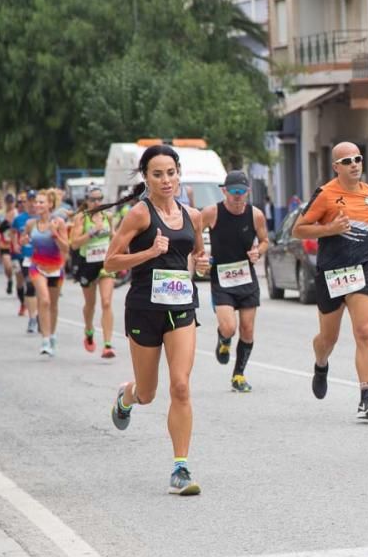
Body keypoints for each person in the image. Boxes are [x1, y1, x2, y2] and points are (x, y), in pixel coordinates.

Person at [102, 144, 209, 496]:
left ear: (179, 174)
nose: (166, 180)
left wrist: (203, 265)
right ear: (146, 178)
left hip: (180, 308)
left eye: (171, 173)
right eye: (158, 174)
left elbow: (196, 254)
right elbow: (111, 262)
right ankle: (126, 396)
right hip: (144, 311)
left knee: (180, 385)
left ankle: (180, 467)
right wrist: (149, 252)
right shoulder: (139, 215)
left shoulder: (192, 215)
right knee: (147, 393)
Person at [292, 142, 368, 418]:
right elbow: (297, 230)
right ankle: (321, 363)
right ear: (336, 167)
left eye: (358, 159)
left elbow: (363, 221)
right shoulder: (324, 194)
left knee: (365, 331)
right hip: (332, 273)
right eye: (347, 161)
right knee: (328, 337)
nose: (354, 165)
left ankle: (367, 396)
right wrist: (329, 229)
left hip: (361, 270)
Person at [202, 171, 269, 393]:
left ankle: (238, 375)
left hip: (246, 277)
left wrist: (258, 252)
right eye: (233, 192)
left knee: (248, 330)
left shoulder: (255, 215)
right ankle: (224, 338)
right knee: (230, 327)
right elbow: (193, 233)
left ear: (248, 192)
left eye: (242, 192)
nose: (238, 196)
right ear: (224, 191)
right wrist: (200, 255)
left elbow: (265, 241)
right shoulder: (212, 213)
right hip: (221, 278)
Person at [69, 187, 117, 358]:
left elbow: (113, 236)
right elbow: (74, 244)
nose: (97, 202)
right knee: (91, 304)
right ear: (87, 201)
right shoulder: (82, 218)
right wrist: (92, 232)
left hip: (105, 264)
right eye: (93, 199)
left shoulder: (108, 216)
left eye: (100, 199)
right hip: (87, 265)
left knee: (106, 302)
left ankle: (107, 344)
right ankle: (89, 330)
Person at [25, 191, 68, 356]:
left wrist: (55, 234)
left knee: (53, 305)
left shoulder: (59, 223)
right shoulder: (31, 224)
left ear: (50, 205)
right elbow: (25, 239)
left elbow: (66, 248)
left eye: (42, 202)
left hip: (55, 268)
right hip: (37, 267)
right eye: (36, 202)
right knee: (44, 300)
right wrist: (23, 241)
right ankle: (44, 339)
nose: (38, 205)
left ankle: (52, 335)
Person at [12, 190, 39, 332]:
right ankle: (32, 318)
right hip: (27, 257)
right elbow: (16, 235)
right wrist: (17, 244)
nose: (33, 204)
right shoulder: (21, 219)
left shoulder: (44, 218)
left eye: (36, 201)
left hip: (43, 259)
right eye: (31, 200)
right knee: (30, 286)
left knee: (41, 289)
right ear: (27, 202)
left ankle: (40, 314)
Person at [0, 193, 17, 296]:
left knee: (19, 269)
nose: (10, 204)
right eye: (8, 202)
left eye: (12, 202)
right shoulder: (1, 214)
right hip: (5, 244)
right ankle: (9, 280)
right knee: (7, 266)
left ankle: (20, 287)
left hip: (16, 244)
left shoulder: (17, 213)